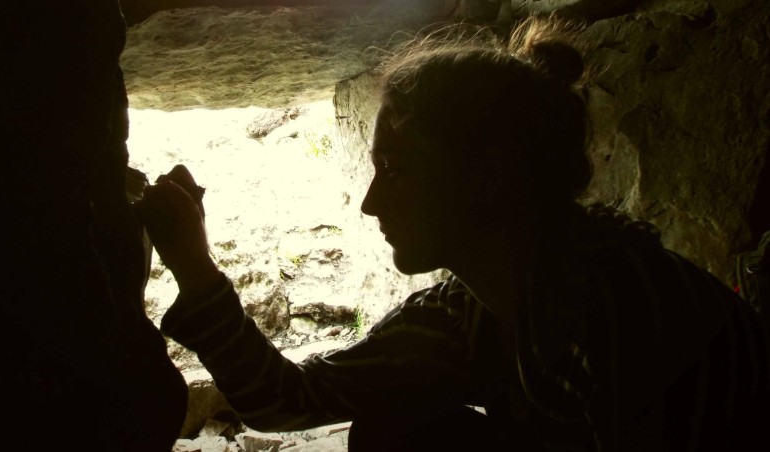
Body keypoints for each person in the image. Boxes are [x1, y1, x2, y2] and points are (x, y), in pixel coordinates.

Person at [136, 17, 770, 451]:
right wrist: (195, 265)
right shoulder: (471, 310)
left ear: (485, 178)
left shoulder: (621, 317)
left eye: (395, 169)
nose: (370, 202)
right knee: (395, 429)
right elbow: (287, 400)